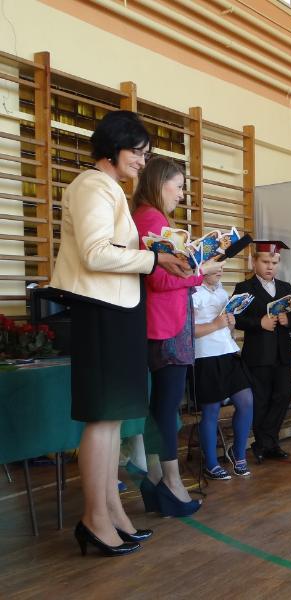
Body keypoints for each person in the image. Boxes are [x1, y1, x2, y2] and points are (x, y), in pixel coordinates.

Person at [51, 110, 190, 556]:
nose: (142, 162)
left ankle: (112, 513)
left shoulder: (108, 188)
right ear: (112, 147)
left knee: (112, 420)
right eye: (137, 152)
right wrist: (155, 259)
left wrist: (160, 256)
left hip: (117, 309)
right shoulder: (92, 185)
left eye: (146, 154)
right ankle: (95, 518)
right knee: (102, 419)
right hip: (101, 310)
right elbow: (95, 253)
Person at [133, 156, 224, 516]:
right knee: (165, 408)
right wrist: (201, 272)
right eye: (179, 186)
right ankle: (170, 482)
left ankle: (157, 480)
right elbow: (158, 278)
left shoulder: (148, 216)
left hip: (164, 324)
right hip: (166, 326)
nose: (182, 195)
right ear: (161, 183)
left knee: (162, 407)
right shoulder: (152, 218)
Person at [233, 241, 291, 461]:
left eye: (274, 262)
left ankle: (268, 441)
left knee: (283, 396)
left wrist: (288, 320)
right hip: (258, 354)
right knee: (261, 399)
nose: (270, 266)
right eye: (265, 262)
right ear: (254, 262)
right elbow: (236, 318)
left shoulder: (285, 287)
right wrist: (258, 323)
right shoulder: (244, 287)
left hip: (283, 352)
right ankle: (265, 444)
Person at [192, 266, 254, 479]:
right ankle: (211, 463)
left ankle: (238, 453)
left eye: (221, 267)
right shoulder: (193, 291)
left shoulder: (221, 291)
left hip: (229, 353)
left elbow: (226, 328)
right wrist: (215, 324)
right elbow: (189, 329)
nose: (220, 271)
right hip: (206, 356)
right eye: (215, 267)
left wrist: (230, 324)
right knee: (211, 410)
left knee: (246, 401)